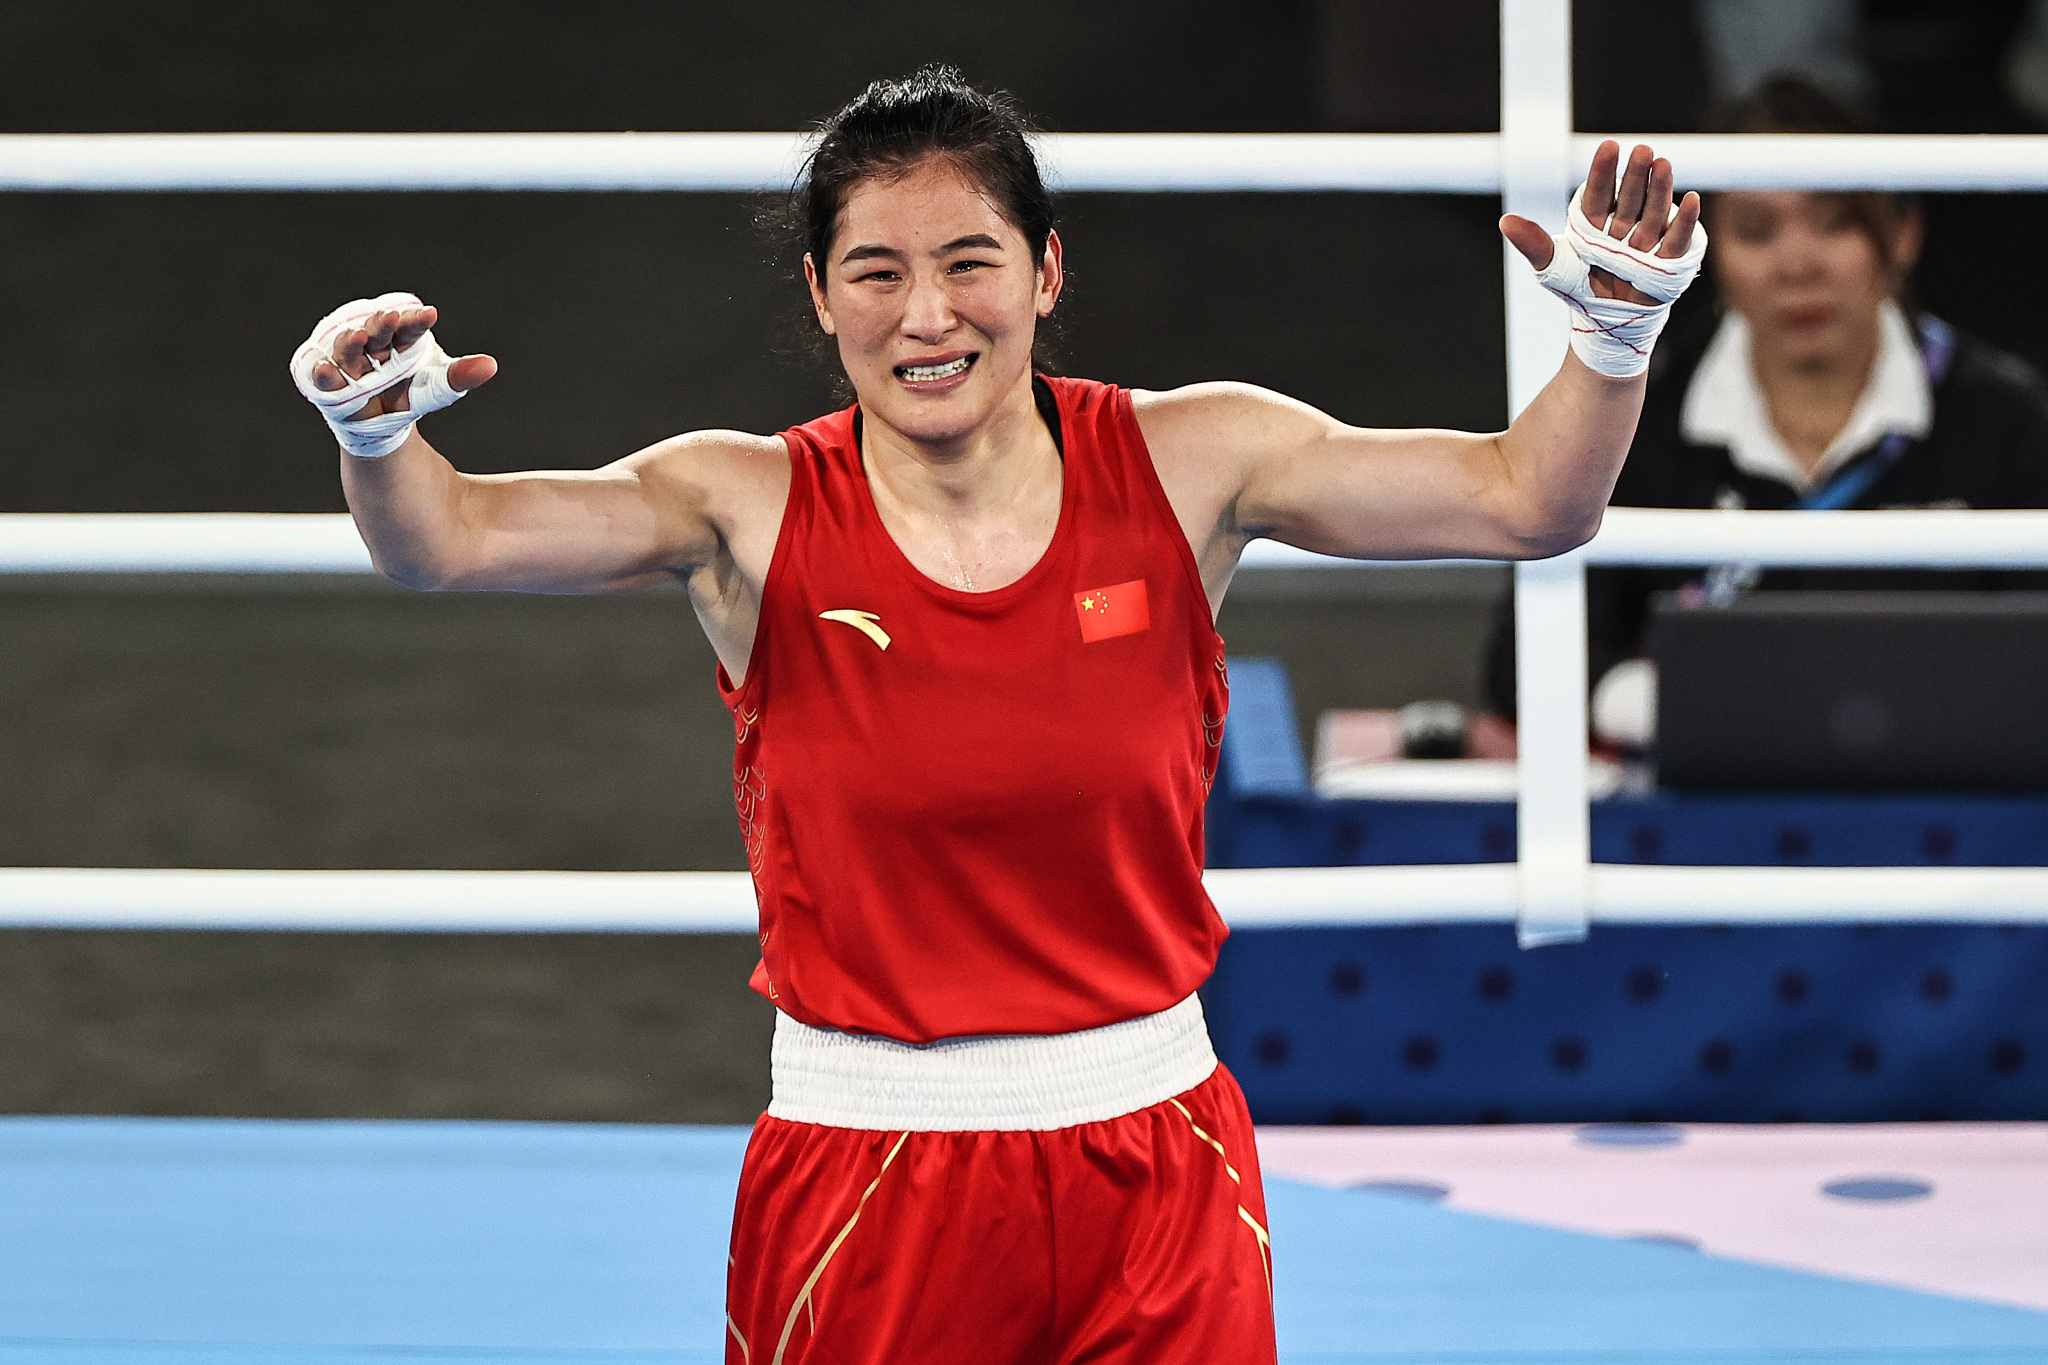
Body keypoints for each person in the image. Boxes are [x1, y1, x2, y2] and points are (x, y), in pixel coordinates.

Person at [289, 66, 1702, 1365]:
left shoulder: (1193, 457)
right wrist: (376, 439)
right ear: (820, 296)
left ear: (1045, 272)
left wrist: (1617, 338)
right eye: (877, 272)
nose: (927, 314)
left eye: (970, 262)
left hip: (1156, 1154)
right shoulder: (743, 502)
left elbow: (1531, 500)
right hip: (869, 1163)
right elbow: (451, 539)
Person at [1482, 74, 2048, 747]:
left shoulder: (2006, 417)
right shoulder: (1635, 414)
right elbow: (1518, 662)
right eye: (1756, 231)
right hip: (1701, 817)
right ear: (1705, 250)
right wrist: (1653, 706)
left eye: (1835, 223)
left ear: (1903, 235)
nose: (1797, 265)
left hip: (1947, 804)